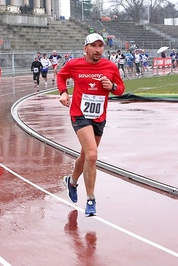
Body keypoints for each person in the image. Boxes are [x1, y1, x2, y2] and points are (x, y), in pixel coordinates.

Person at [57, 33, 125, 217]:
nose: (97, 50)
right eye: (93, 46)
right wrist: (63, 93)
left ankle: (71, 182)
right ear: (85, 48)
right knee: (93, 155)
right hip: (79, 114)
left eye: (100, 46)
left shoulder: (110, 67)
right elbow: (61, 76)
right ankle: (91, 200)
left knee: (86, 155)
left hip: (99, 117)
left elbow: (120, 89)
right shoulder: (74, 64)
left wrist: (111, 86)